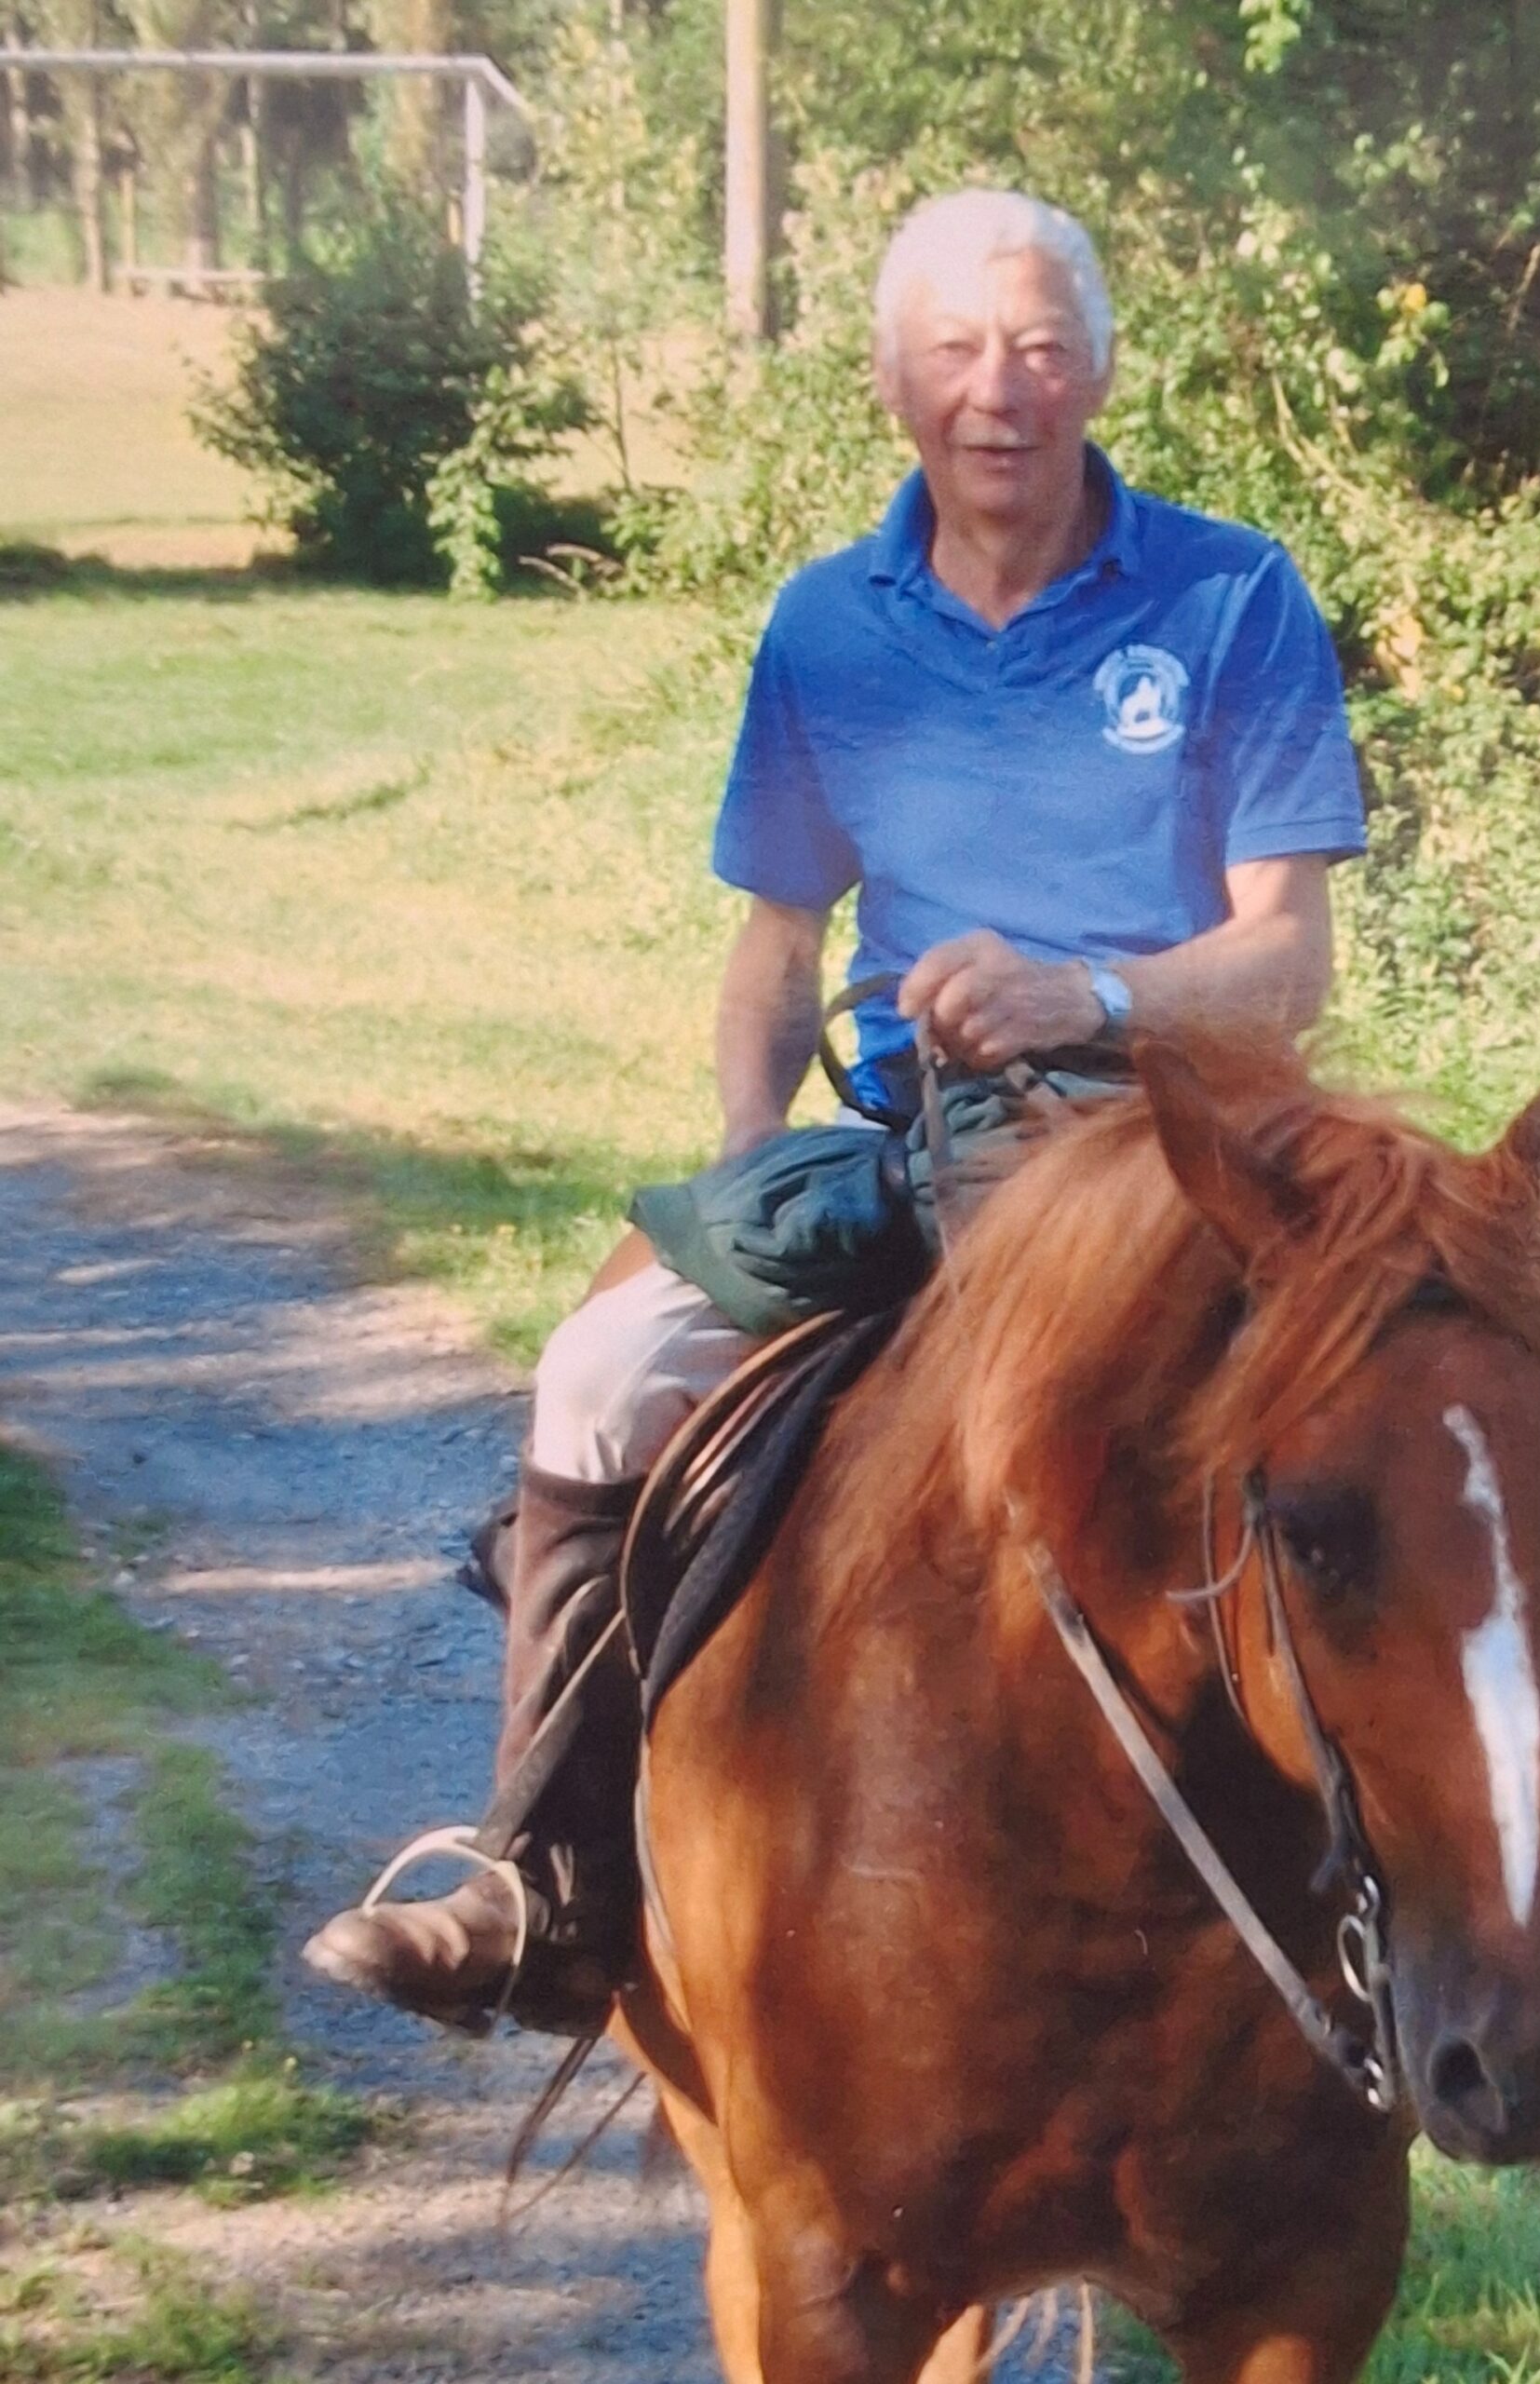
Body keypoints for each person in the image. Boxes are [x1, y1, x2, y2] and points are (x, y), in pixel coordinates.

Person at [300, 187, 1368, 2037]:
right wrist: (741, 1140)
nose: (999, 389)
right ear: (891, 383)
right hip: (913, 1144)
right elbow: (774, 948)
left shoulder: (1228, 596)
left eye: (1038, 345)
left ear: (1098, 368)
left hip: (1184, 1157)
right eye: (956, 349)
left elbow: (1287, 954)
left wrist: (1086, 993)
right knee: (598, 1374)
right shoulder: (824, 627)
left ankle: (1458, 1960)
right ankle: (545, 1887)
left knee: (1436, 1456)